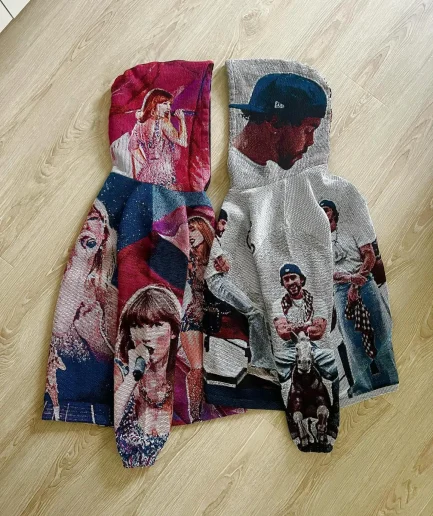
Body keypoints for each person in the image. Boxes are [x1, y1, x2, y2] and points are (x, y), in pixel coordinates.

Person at [45, 198, 118, 421]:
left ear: (104, 235)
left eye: (94, 218)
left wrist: (96, 338)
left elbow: (119, 358)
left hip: (90, 403)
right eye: (86, 217)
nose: (87, 224)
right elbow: (57, 327)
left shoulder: (108, 296)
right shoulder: (51, 281)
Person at [319, 199, 399, 396]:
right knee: (352, 340)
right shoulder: (320, 244)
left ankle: (390, 377)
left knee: (380, 331)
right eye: (320, 211)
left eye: (326, 209)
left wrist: (356, 283)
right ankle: (363, 385)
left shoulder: (352, 228)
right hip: (340, 290)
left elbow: (369, 255)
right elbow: (326, 272)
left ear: (333, 212)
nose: (324, 214)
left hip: (365, 282)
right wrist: (349, 279)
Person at [114, 285, 182, 468]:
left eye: (156, 325)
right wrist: (132, 377)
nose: (145, 336)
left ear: (173, 331)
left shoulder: (182, 378)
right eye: (136, 326)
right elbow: (114, 418)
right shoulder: (122, 374)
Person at [230, 73, 326, 171]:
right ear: (274, 123)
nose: (311, 141)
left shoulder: (255, 168)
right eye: (308, 130)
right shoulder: (237, 167)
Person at [272, 264, 338, 397]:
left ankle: (335, 399)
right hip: (290, 350)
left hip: (313, 348)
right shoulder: (278, 305)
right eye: (286, 279)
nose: (290, 282)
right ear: (283, 283)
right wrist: (308, 324)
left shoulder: (317, 302)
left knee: (332, 360)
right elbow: (284, 333)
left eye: (293, 277)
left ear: (301, 279)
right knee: (273, 364)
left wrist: (293, 326)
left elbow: (318, 332)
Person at [179, 216, 215, 421]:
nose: (190, 234)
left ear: (203, 229)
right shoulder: (187, 260)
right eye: (187, 230)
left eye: (193, 229)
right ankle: (195, 412)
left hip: (216, 316)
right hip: (192, 317)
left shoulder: (216, 255)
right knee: (197, 367)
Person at [128, 88, 188, 188]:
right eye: (164, 104)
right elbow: (183, 142)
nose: (169, 108)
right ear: (154, 104)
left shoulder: (140, 124)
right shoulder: (163, 122)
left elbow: (132, 147)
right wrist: (182, 120)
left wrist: (146, 164)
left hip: (147, 174)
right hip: (164, 173)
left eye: (169, 104)